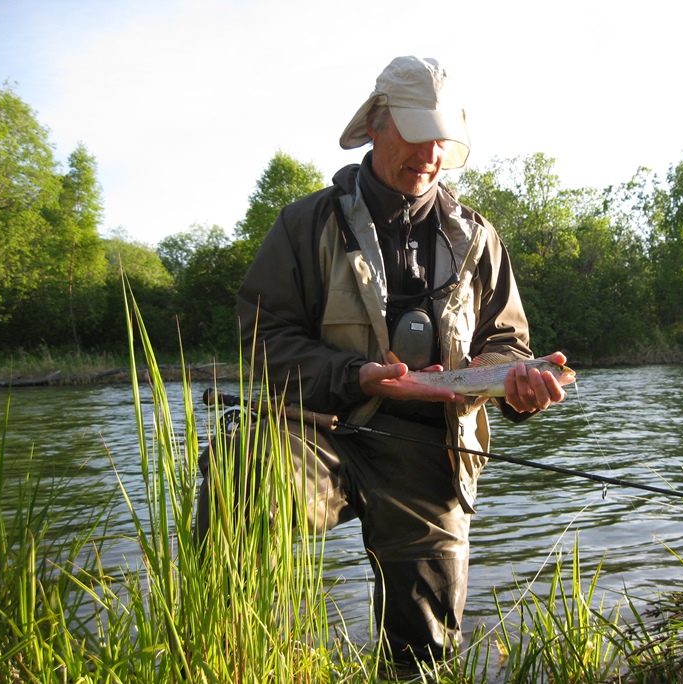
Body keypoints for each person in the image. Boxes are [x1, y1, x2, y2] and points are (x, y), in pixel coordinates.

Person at [205, 55, 568, 673]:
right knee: (239, 474)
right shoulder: (304, 223)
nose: (431, 154)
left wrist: (519, 386)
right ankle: (235, 656)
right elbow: (263, 340)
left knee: (423, 657)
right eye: (416, 132)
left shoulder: (479, 238)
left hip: (434, 454)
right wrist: (353, 376)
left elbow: (507, 344)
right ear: (375, 123)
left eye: (442, 139)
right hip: (324, 431)